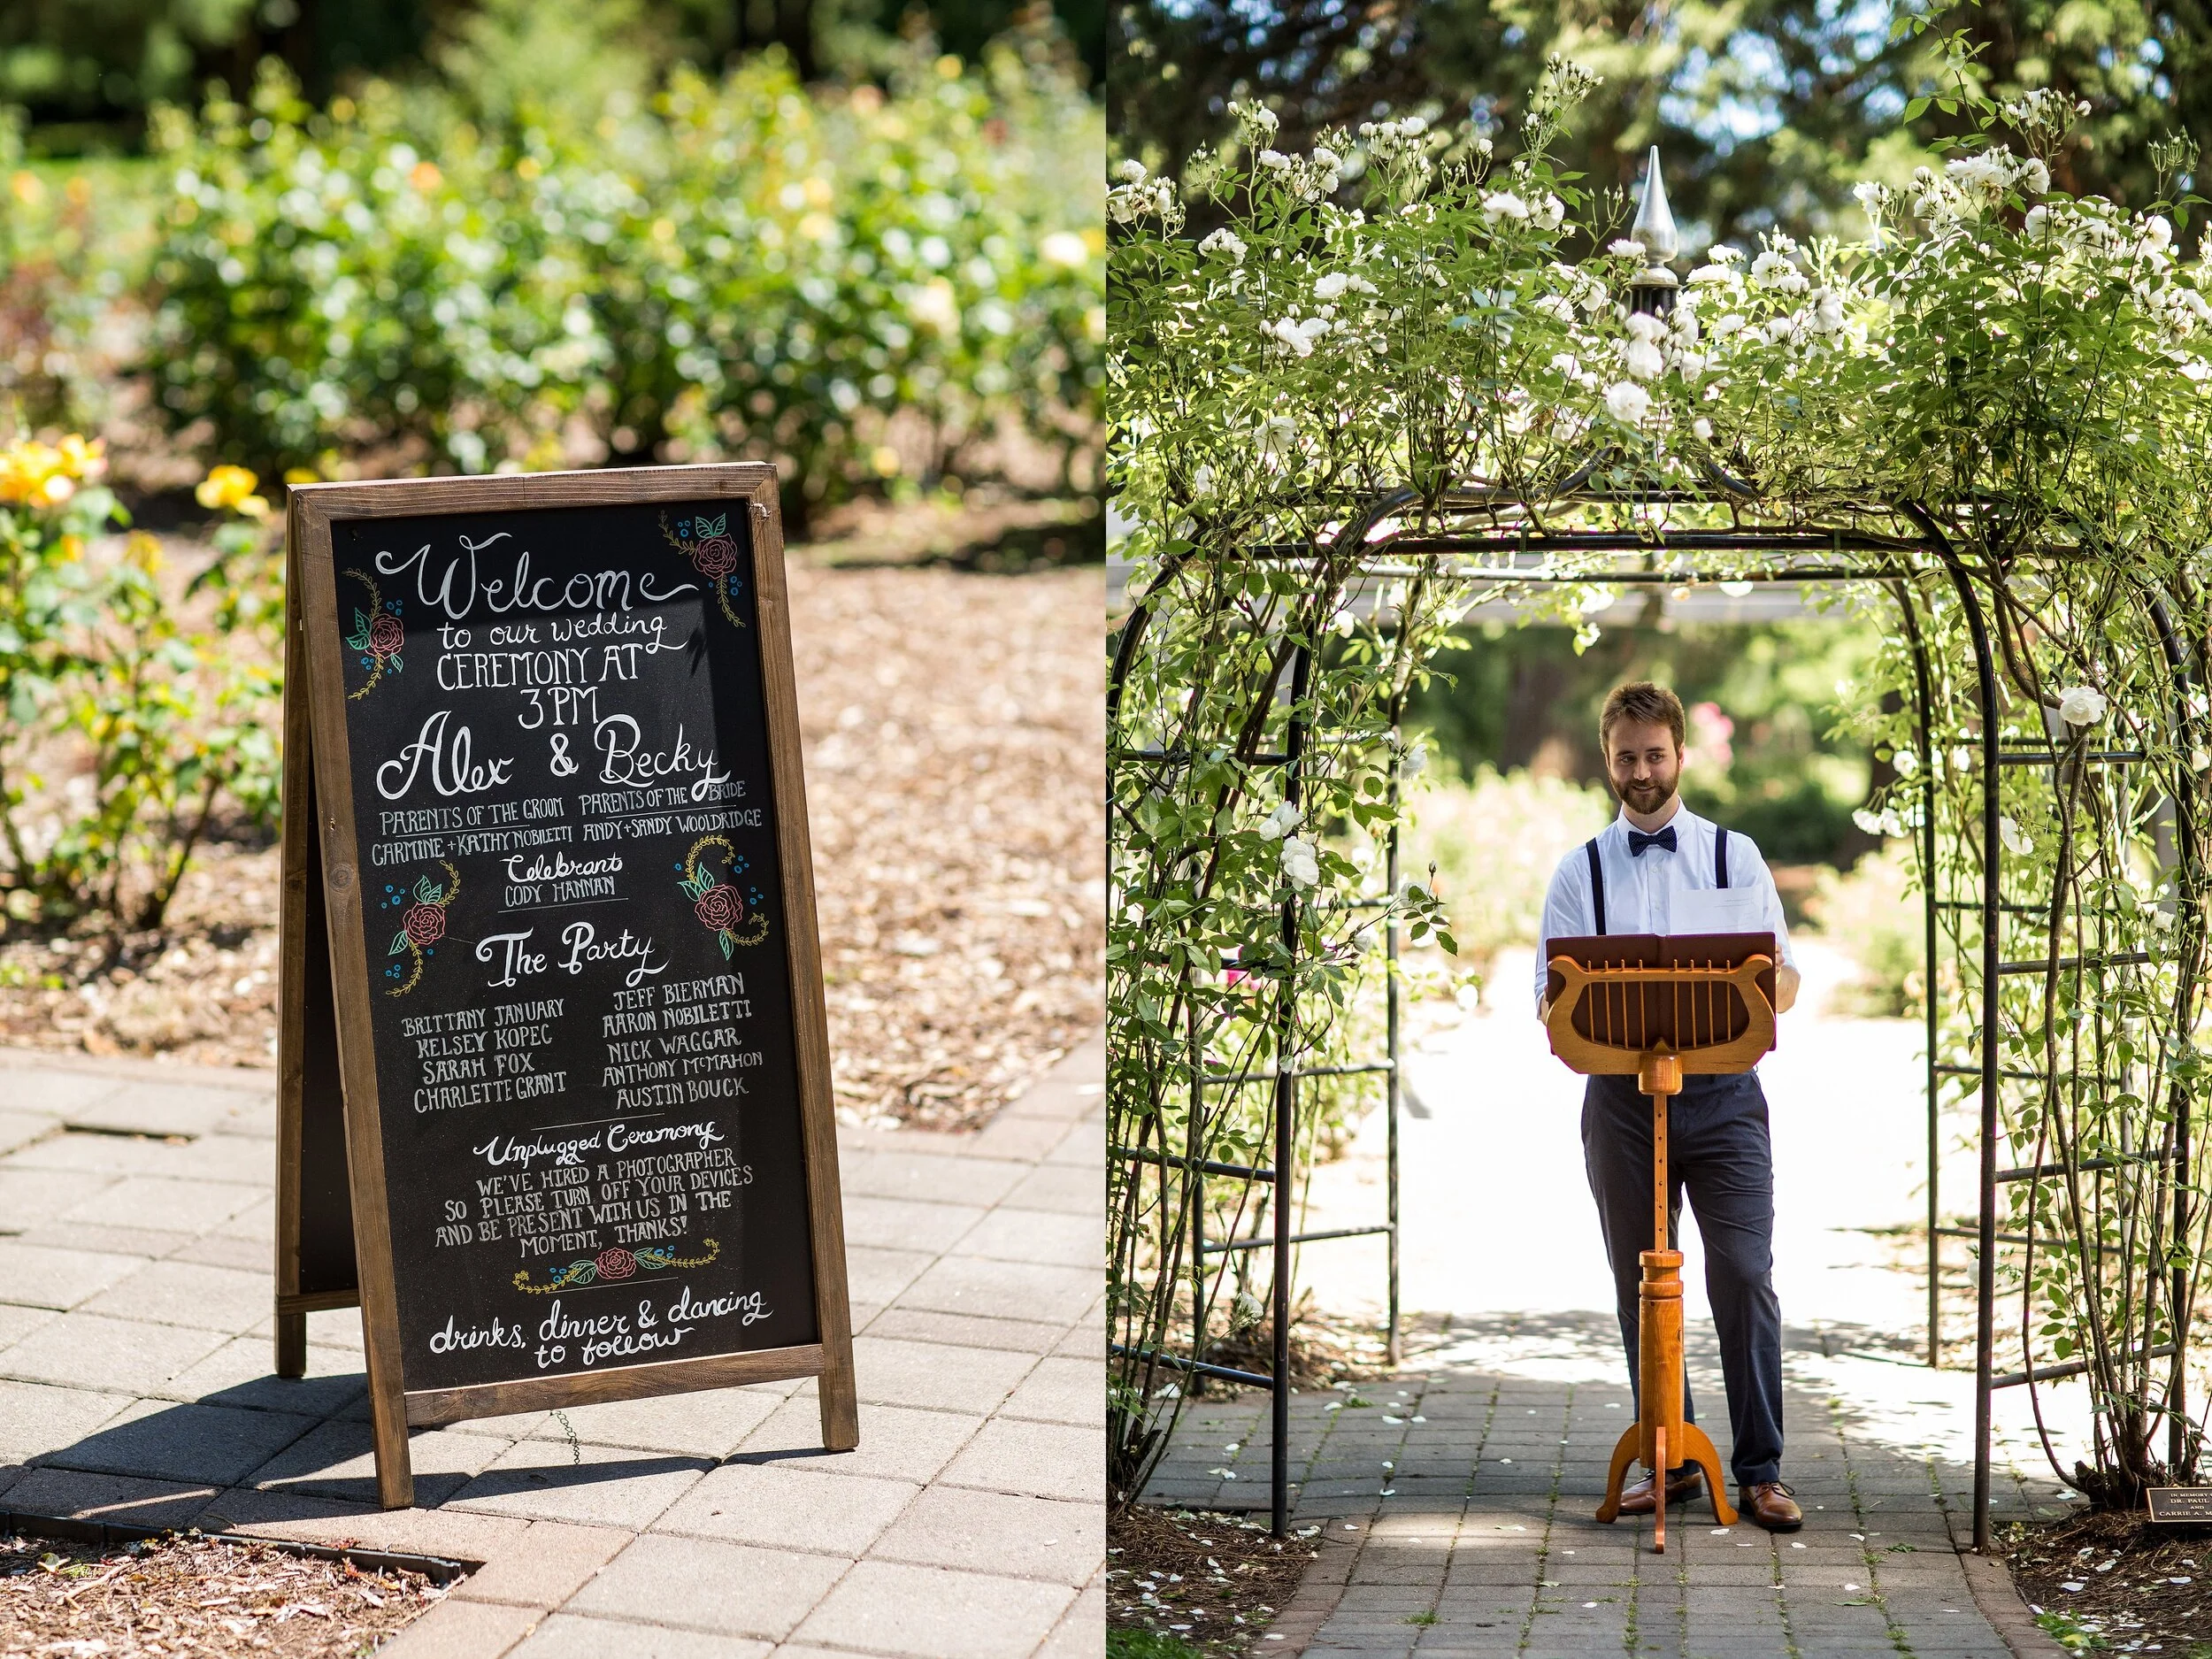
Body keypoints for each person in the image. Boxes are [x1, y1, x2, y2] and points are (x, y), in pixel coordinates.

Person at [1532, 681, 1805, 1532]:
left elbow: (1787, 976)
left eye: (1655, 755)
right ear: (1607, 759)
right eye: (1627, 758)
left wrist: (1760, 988)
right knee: (1638, 1279)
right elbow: (1547, 996)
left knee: (1745, 1274)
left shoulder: (1736, 856)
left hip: (1724, 1097)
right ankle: (1670, 1458)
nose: (1642, 771)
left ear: (1682, 753)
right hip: (1620, 1100)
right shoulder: (1578, 870)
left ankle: (1760, 1471)